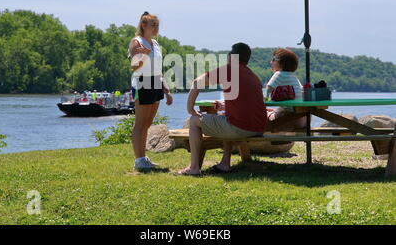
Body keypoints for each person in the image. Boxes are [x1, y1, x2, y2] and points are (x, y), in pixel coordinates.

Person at [178, 43, 267, 175]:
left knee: (194, 120)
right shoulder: (253, 76)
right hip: (259, 128)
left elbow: (197, 82)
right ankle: (225, 163)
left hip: (241, 128)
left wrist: (190, 108)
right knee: (225, 118)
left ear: (231, 56)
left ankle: (194, 168)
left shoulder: (230, 69)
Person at [128, 11, 173, 171]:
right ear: (143, 25)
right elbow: (134, 66)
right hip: (142, 82)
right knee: (140, 123)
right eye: (153, 25)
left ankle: (144, 158)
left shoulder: (155, 44)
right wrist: (143, 56)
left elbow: (158, 70)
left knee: (147, 124)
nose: (156, 28)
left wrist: (166, 90)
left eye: (157, 25)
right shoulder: (136, 42)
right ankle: (139, 160)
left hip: (155, 82)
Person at [266, 48, 306, 130]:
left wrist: (265, 99)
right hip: (302, 120)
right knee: (273, 112)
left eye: (273, 59)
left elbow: (268, 88)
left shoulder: (278, 74)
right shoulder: (293, 77)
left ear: (281, 63)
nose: (271, 62)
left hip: (287, 120)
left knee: (263, 116)